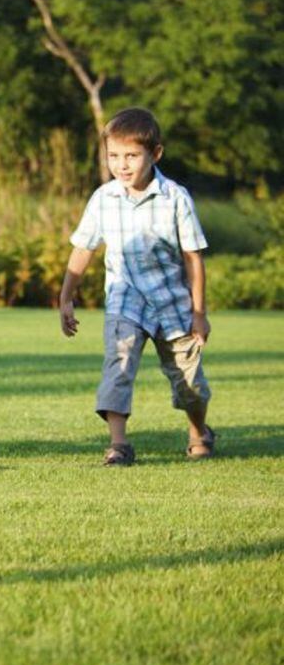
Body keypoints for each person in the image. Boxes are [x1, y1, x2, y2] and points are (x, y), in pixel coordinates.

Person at [59, 107, 214, 466]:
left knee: (189, 383)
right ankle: (119, 444)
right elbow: (83, 249)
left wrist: (199, 313)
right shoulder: (103, 198)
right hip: (125, 299)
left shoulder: (175, 198)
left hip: (172, 303)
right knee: (119, 364)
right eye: (114, 156)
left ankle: (199, 431)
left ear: (155, 153)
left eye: (131, 156)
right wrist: (66, 297)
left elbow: (193, 258)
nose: (122, 165)